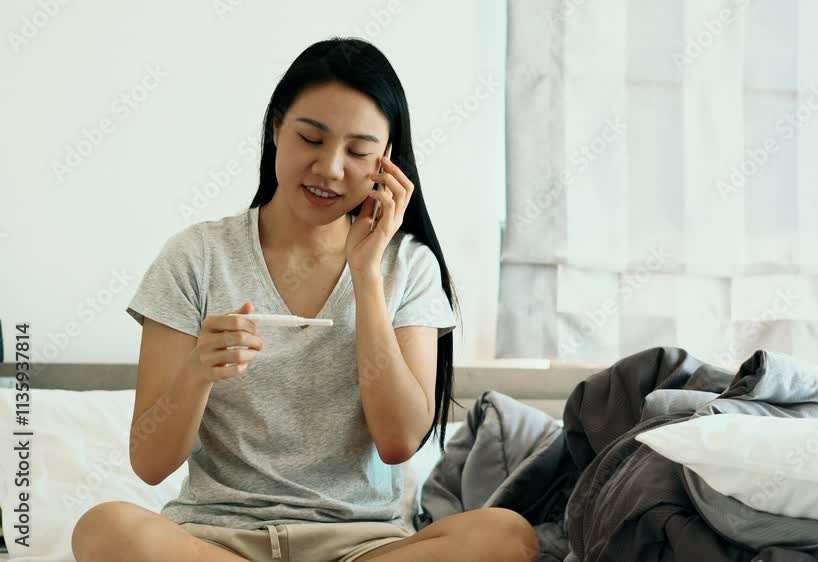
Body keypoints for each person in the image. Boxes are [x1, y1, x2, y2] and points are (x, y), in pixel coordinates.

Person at [71, 37, 538, 562]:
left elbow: (399, 441)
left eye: (358, 152)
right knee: (103, 527)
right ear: (275, 130)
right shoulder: (193, 258)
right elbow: (150, 464)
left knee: (506, 535)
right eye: (311, 138)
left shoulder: (408, 267)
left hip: (360, 546)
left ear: (386, 162)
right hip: (216, 541)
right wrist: (199, 371)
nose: (330, 168)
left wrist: (366, 276)